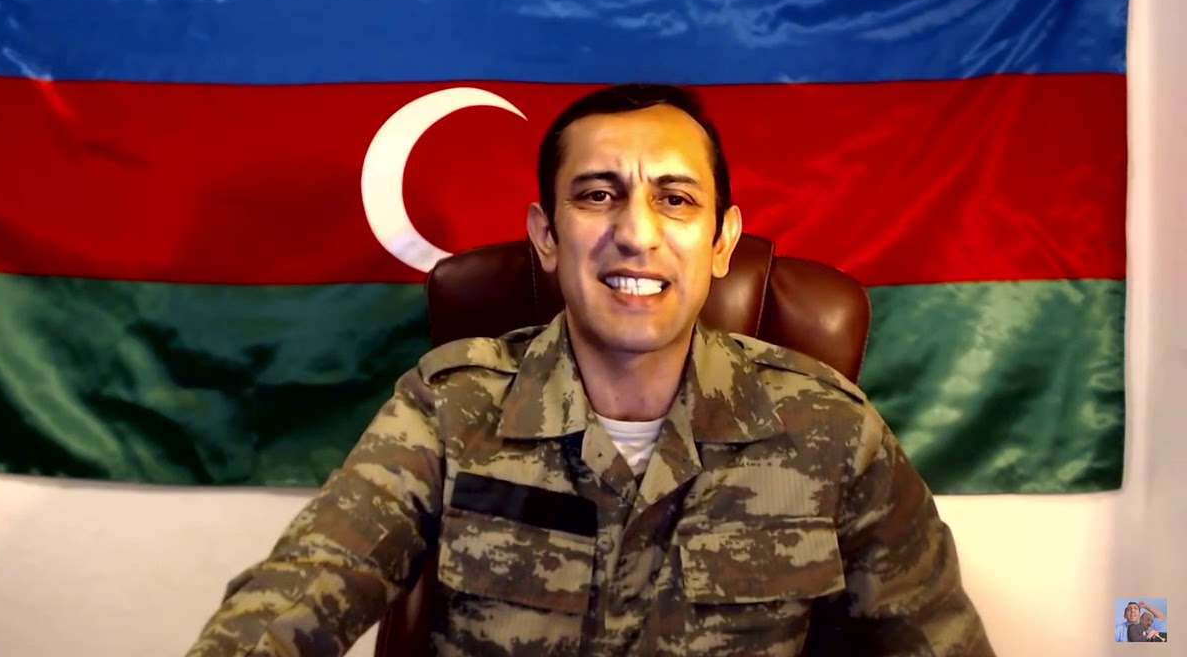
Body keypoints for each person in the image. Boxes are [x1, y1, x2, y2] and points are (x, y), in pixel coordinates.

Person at [185, 83, 995, 656]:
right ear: (547, 236)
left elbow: (937, 640)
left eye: (675, 199)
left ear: (722, 241)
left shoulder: (830, 430)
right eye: (599, 196)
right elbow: (296, 595)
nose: (636, 234)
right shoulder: (449, 409)